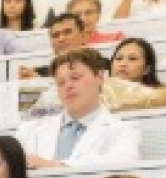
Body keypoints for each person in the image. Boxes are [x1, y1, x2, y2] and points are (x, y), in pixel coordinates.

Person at [15, 49, 143, 169]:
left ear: (99, 77)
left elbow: (124, 161)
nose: (68, 86)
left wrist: (57, 165)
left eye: (75, 78)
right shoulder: (29, 130)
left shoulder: (125, 129)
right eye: (61, 82)